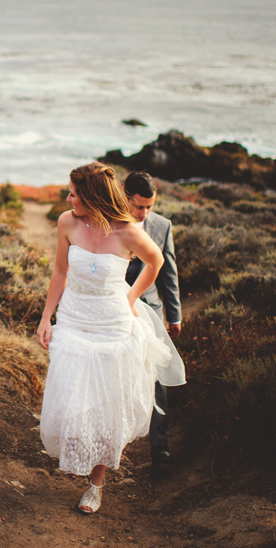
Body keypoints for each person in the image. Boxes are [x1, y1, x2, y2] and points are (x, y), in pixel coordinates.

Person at [37, 162, 185, 514]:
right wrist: (46, 316)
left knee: (105, 403)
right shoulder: (67, 222)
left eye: (73, 193)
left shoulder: (128, 231)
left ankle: (96, 484)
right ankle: (78, 452)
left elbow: (156, 262)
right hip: (73, 318)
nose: (68, 197)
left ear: (90, 195)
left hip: (113, 324)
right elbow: (60, 270)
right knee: (73, 391)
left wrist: (131, 297)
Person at [123, 171, 183, 467]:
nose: (144, 212)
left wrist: (174, 315)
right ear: (125, 196)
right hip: (119, 308)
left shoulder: (162, 226)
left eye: (149, 206)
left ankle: (159, 447)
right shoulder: (110, 224)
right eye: (138, 206)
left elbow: (168, 274)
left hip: (152, 312)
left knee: (157, 374)